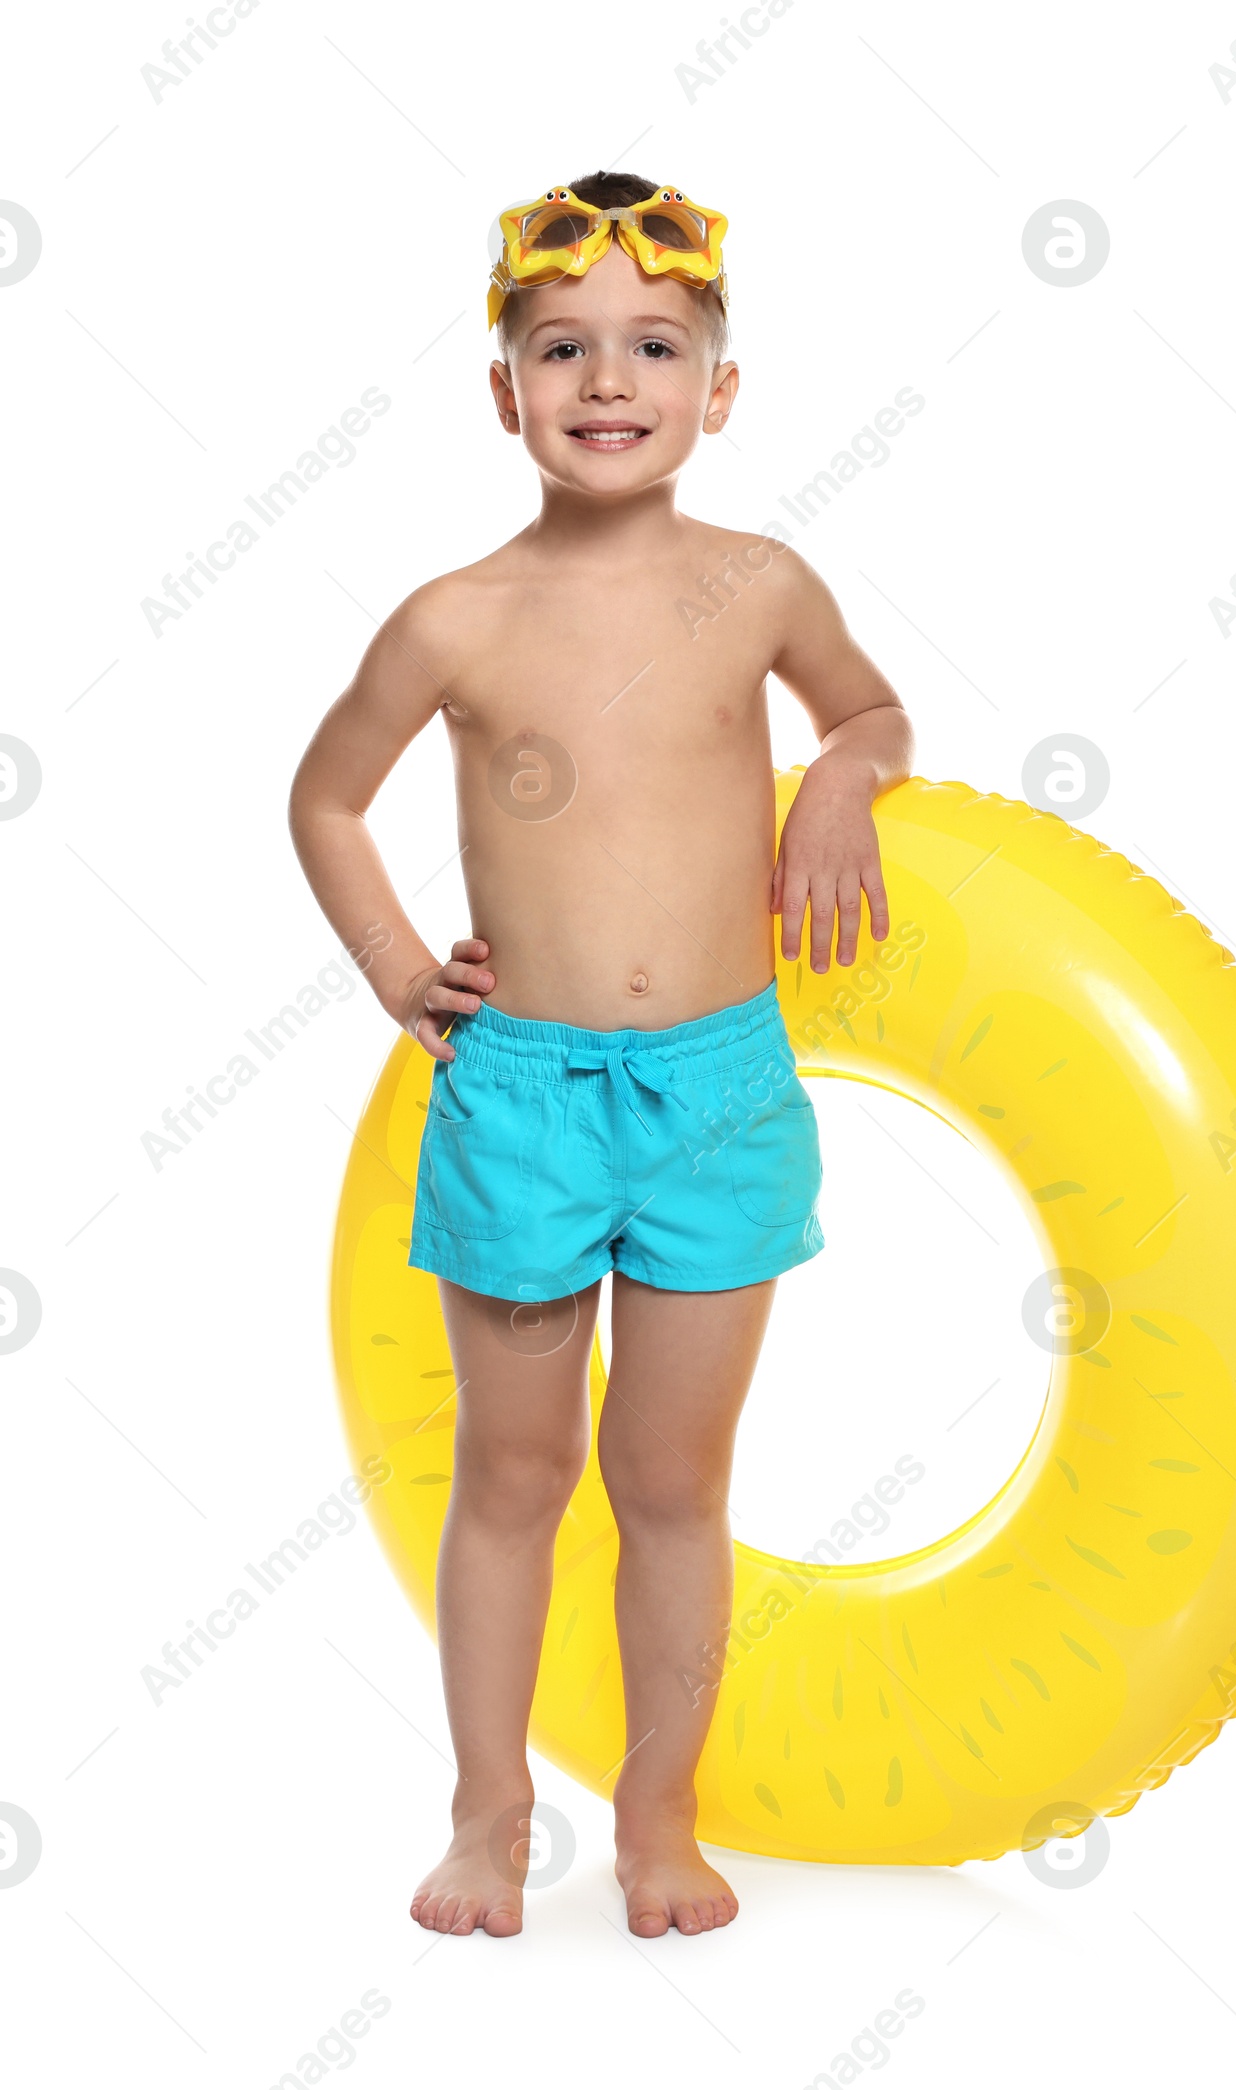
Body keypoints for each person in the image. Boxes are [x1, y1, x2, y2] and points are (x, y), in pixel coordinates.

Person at [289, 172, 914, 1941]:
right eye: (562, 348)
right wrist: (405, 969)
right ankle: (489, 1815)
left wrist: (847, 781)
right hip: (527, 1097)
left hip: (719, 1090)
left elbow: (870, 704)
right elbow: (326, 795)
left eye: (655, 345)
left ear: (720, 389)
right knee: (512, 1473)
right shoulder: (456, 618)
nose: (608, 378)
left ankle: (657, 1811)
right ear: (505, 388)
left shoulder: (762, 583)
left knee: (671, 1481)